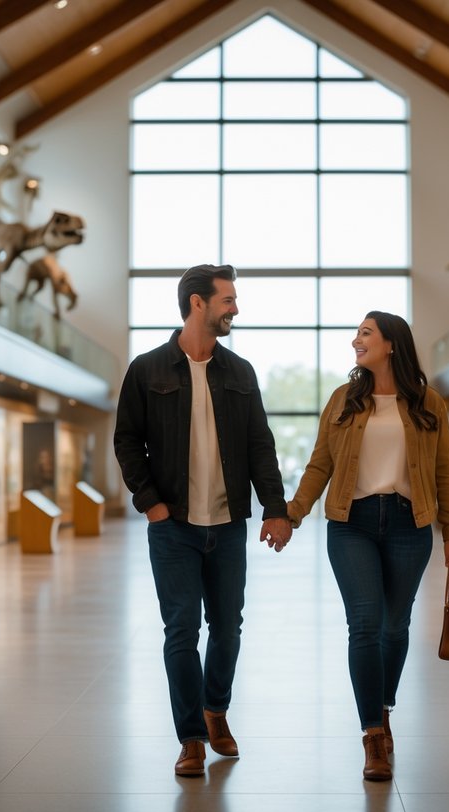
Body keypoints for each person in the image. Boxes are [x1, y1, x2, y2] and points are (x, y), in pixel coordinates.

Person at [114, 263, 292, 778]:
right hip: (173, 528)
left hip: (229, 523)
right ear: (198, 303)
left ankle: (216, 708)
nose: (235, 307)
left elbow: (261, 446)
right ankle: (191, 737)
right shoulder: (147, 369)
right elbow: (127, 440)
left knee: (228, 629)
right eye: (228, 299)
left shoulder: (240, 373)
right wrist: (150, 502)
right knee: (180, 630)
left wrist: (275, 509)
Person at [286, 311, 449, 782]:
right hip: (352, 523)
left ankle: (383, 707)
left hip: (410, 523)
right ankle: (373, 735)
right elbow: (320, 464)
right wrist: (294, 511)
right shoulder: (344, 400)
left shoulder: (429, 404)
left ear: (391, 344)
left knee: (395, 625)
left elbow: (445, 472)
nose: (355, 341)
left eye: (365, 334)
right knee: (364, 623)